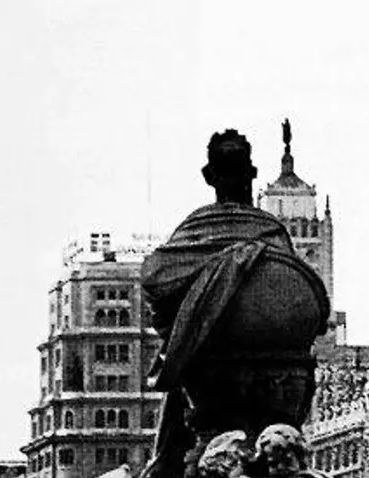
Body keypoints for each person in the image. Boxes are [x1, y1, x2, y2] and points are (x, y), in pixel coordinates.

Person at [140, 129, 330, 478]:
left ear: (209, 176)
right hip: (284, 381)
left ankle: (164, 462)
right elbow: (315, 309)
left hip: (212, 385)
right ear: (252, 174)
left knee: (177, 416)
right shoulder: (274, 234)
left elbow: (155, 280)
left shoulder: (196, 232)